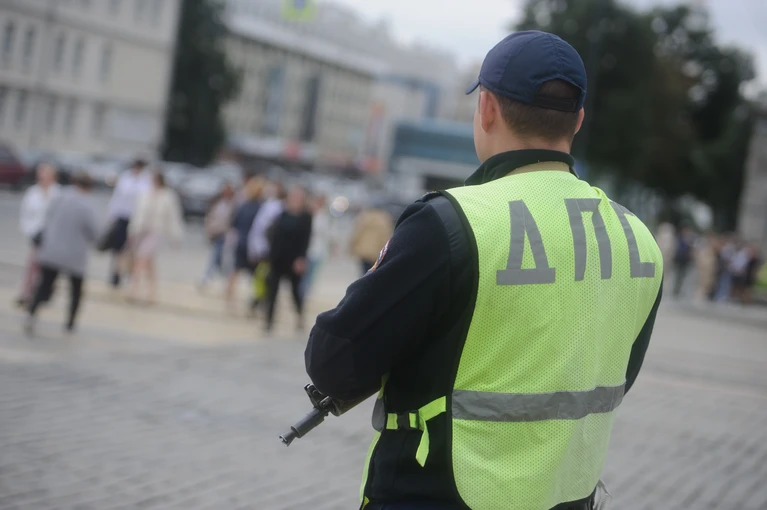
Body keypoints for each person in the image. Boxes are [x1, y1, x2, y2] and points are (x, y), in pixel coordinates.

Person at [304, 31, 663, 510]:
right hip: (566, 497)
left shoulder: (451, 223)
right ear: (577, 121)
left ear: (487, 108)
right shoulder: (638, 239)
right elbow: (614, 377)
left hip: (435, 494)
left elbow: (333, 362)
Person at [26, 173, 100, 335]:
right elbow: (94, 232)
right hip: (74, 255)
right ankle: (70, 323)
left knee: (44, 285)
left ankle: (32, 313)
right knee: (75, 291)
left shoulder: (60, 197)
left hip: (52, 250)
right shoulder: (87, 205)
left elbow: (47, 218)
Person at [127, 172, 184, 303]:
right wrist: (133, 231)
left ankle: (134, 289)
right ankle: (152, 293)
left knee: (141, 259)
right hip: (143, 231)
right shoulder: (146, 193)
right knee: (149, 264)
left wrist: (175, 236)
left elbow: (173, 217)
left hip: (156, 231)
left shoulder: (168, 196)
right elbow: (138, 214)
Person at [264, 186, 312, 333]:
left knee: (295, 292)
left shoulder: (306, 217)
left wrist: (301, 258)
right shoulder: (282, 214)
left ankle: (299, 316)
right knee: (272, 291)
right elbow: (272, 233)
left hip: (294, 260)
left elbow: (305, 240)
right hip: (277, 258)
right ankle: (269, 321)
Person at [17, 162, 60, 307]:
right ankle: (27, 293)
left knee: (48, 268)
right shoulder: (33, 192)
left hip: (53, 236)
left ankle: (44, 295)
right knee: (33, 265)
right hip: (36, 234)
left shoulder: (58, 193)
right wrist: (29, 230)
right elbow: (25, 213)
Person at [105, 159, 153, 288]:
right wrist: (112, 215)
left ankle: (130, 275)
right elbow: (117, 197)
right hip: (122, 217)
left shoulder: (146, 181)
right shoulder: (126, 177)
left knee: (132, 249)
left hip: (136, 219)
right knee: (118, 248)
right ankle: (116, 275)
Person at [247, 180, 286, 312]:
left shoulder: (278, 207)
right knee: (262, 277)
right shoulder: (269, 205)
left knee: (265, 277)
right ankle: (261, 299)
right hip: (263, 249)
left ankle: (262, 300)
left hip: (269, 250)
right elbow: (258, 229)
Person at [225, 177, 265, 305]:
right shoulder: (261, 208)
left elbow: (234, 222)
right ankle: (255, 299)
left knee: (235, 270)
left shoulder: (243, 205)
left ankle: (229, 297)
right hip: (253, 245)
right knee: (256, 274)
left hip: (240, 242)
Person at [199, 183, 236, 287]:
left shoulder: (234, 205)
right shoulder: (218, 203)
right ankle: (224, 278)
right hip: (216, 233)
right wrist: (209, 229)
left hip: (225, 235)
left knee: (216, 256)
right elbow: (211, 217)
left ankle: (207, 277)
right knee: (218, 259)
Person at [300, 194, 332, 300]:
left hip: (319, 249)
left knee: (312, 274)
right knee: (306, 273)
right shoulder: (310, 214)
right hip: (309, 248)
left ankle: (305, 292)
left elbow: (328, 233)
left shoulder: (325, 215)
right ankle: (302, 293)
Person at [349, 204, 394, 276]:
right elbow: (386, 236)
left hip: (364, 251)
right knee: (375, 274)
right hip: (377, 252)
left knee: (364, 273)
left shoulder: (364, 217)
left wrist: (352, 247)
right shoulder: (384, 220)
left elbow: (357, 234)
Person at [672, 227, 695, 298]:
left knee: (683, 276)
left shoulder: (688, 242)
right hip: (680, 261)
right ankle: (676, 290)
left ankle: (679, 290)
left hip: (685, 262)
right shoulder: (680, 240)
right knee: (678, 276)